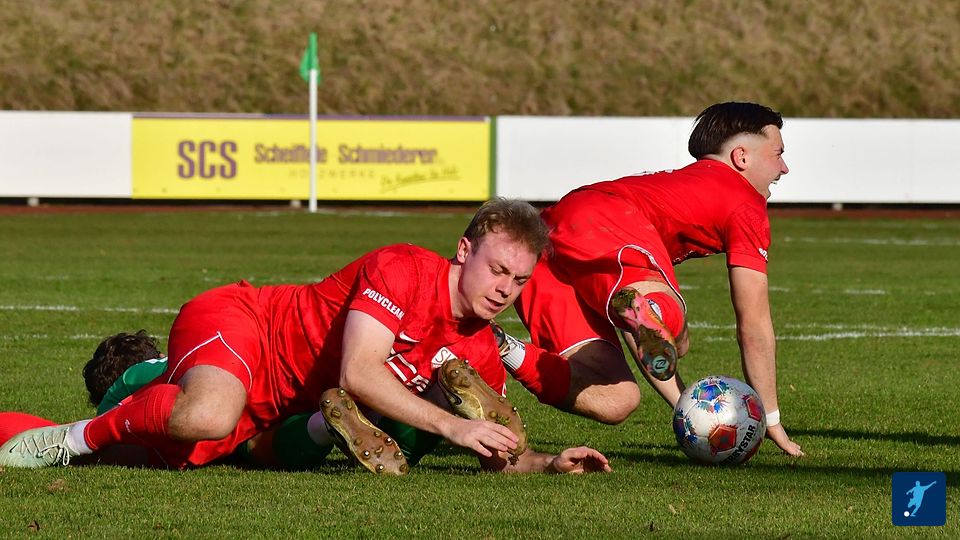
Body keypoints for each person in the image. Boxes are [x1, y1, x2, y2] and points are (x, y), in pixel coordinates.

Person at [0, 199, 611, 474]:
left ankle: (64, 435)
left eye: (519, 280)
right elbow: (358, 373)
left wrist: (547, 463)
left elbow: (494, 452)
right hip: (247, 326)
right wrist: (452, 425)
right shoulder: (403, 267)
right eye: (497, 270)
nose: (506, 289)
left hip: (274, 410)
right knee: (207, 413)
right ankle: (68, 438)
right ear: (463, 250)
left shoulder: (479, 349)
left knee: (145, 454)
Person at [499, 102, 804, 457]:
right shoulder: (746, 203)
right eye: (778, 154)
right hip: (606, 219)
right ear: (741, 157)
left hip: (547, 238)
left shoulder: (686, 181)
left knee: (616, 399)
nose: (784, 167)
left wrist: (688, 411)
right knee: (668, 323)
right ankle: (649, 310)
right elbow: (753, 323)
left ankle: (501, 347)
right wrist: (771, 419)